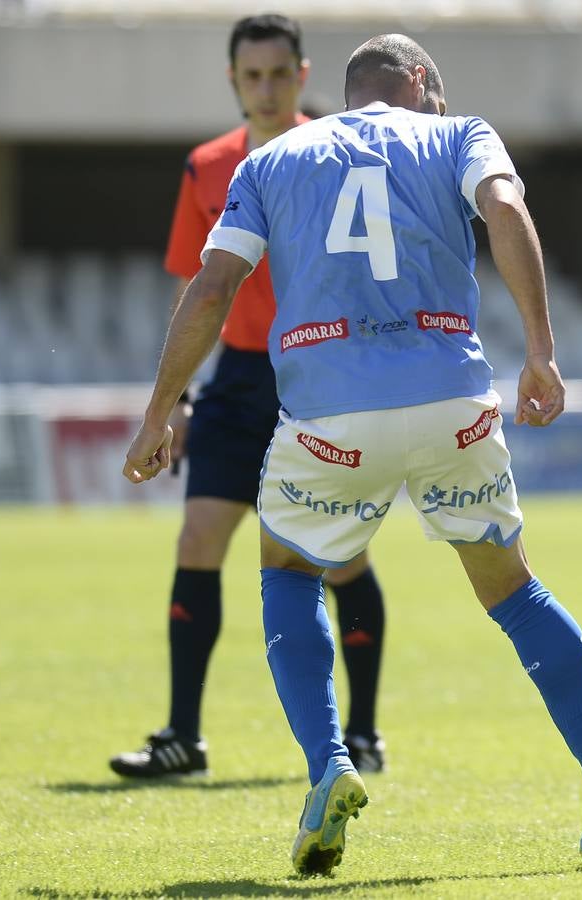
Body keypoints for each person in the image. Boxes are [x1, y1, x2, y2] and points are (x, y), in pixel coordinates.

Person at [120, 33, 582, 875]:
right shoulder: (460, 134)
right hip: (452, 405)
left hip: (331, 418)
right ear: (424, 83)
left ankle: (328, 767)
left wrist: (155, 413)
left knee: (289, 574)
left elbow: (213, 286)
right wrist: (541, 349)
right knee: (514, 591)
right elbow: (505, 211)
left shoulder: (273, 158)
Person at [109, 14, 389, 780]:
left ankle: (361, 735)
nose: (264, 88)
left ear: (301, 75)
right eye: (250, 76)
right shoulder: (205, 168)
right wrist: (178, 398)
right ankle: (182, 738)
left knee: (339, 560)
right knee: (197, 543)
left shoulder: (344, 158)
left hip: (324, 376)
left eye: (277, 73)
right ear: (233, 81)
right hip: (235, 379)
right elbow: (192, 286)